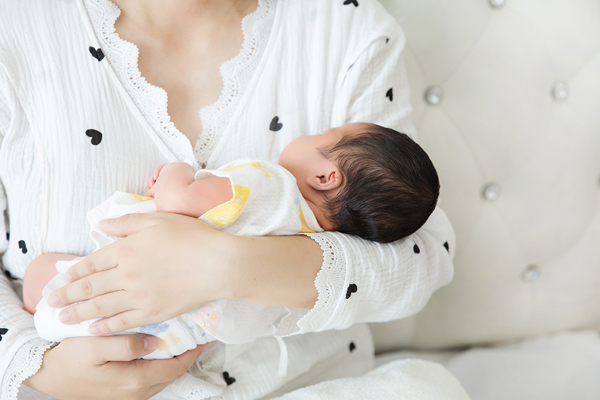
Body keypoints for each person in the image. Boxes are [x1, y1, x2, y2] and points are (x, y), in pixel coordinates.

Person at [0, 0, 455, 399]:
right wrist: (35, 365)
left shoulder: (346, 27)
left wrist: (225, 265)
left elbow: (421, 255)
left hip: (308, 384)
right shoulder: (16, 29)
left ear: (326, 174)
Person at [23, 122, 440, 361]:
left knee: (42, 277)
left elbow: (180, 199)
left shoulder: (270, 187)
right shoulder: (308, 240)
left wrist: (174, 170)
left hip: (120, 289)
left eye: (321, 136)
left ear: (325, 177)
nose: (308, 134)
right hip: (173, 339)